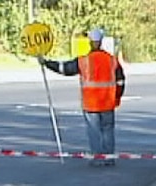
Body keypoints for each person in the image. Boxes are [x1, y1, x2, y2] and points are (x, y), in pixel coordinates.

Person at [39, 28, 125, 161]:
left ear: (90, 42)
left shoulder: (84, 61)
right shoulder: (111, 60)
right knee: (108, 130)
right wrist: (117, 97)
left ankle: (98, 159)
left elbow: (65, 68)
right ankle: (109, 158)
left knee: (94, 131)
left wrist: (47, 63)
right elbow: (120, 81)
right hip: (108, 103)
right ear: (100, 42)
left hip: (91, 104)